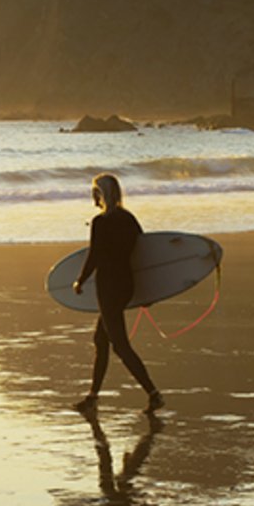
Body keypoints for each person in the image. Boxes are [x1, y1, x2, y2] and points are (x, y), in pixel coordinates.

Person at [73, 173, 164, 414]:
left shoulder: (101, 222)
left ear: (101, 195)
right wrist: (149, 291)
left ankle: (154, 394)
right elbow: (144, 252)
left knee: (120, 345)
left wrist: (80, 280)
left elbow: (94, 256)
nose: (93, 199)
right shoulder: (128, 219)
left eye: (94, 193)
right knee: (101, 340)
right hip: (126, 284)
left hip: (108, 286)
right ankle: (92, 397)